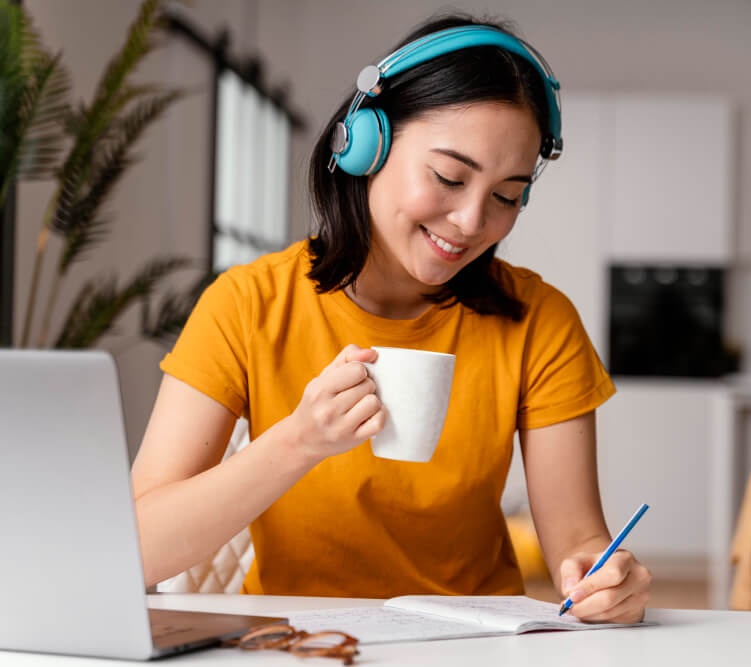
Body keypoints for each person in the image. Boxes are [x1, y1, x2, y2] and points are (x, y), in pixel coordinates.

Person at [131, 11, 651, 624]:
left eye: (507, 195)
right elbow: (134, 550)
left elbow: (579, 546)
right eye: (449, 177)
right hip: (297, 643)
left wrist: (608, 581)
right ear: (365, 145)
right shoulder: (247, 304)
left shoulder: (540, 322)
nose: (471, 222)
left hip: (476, 647)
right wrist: (299, 442)